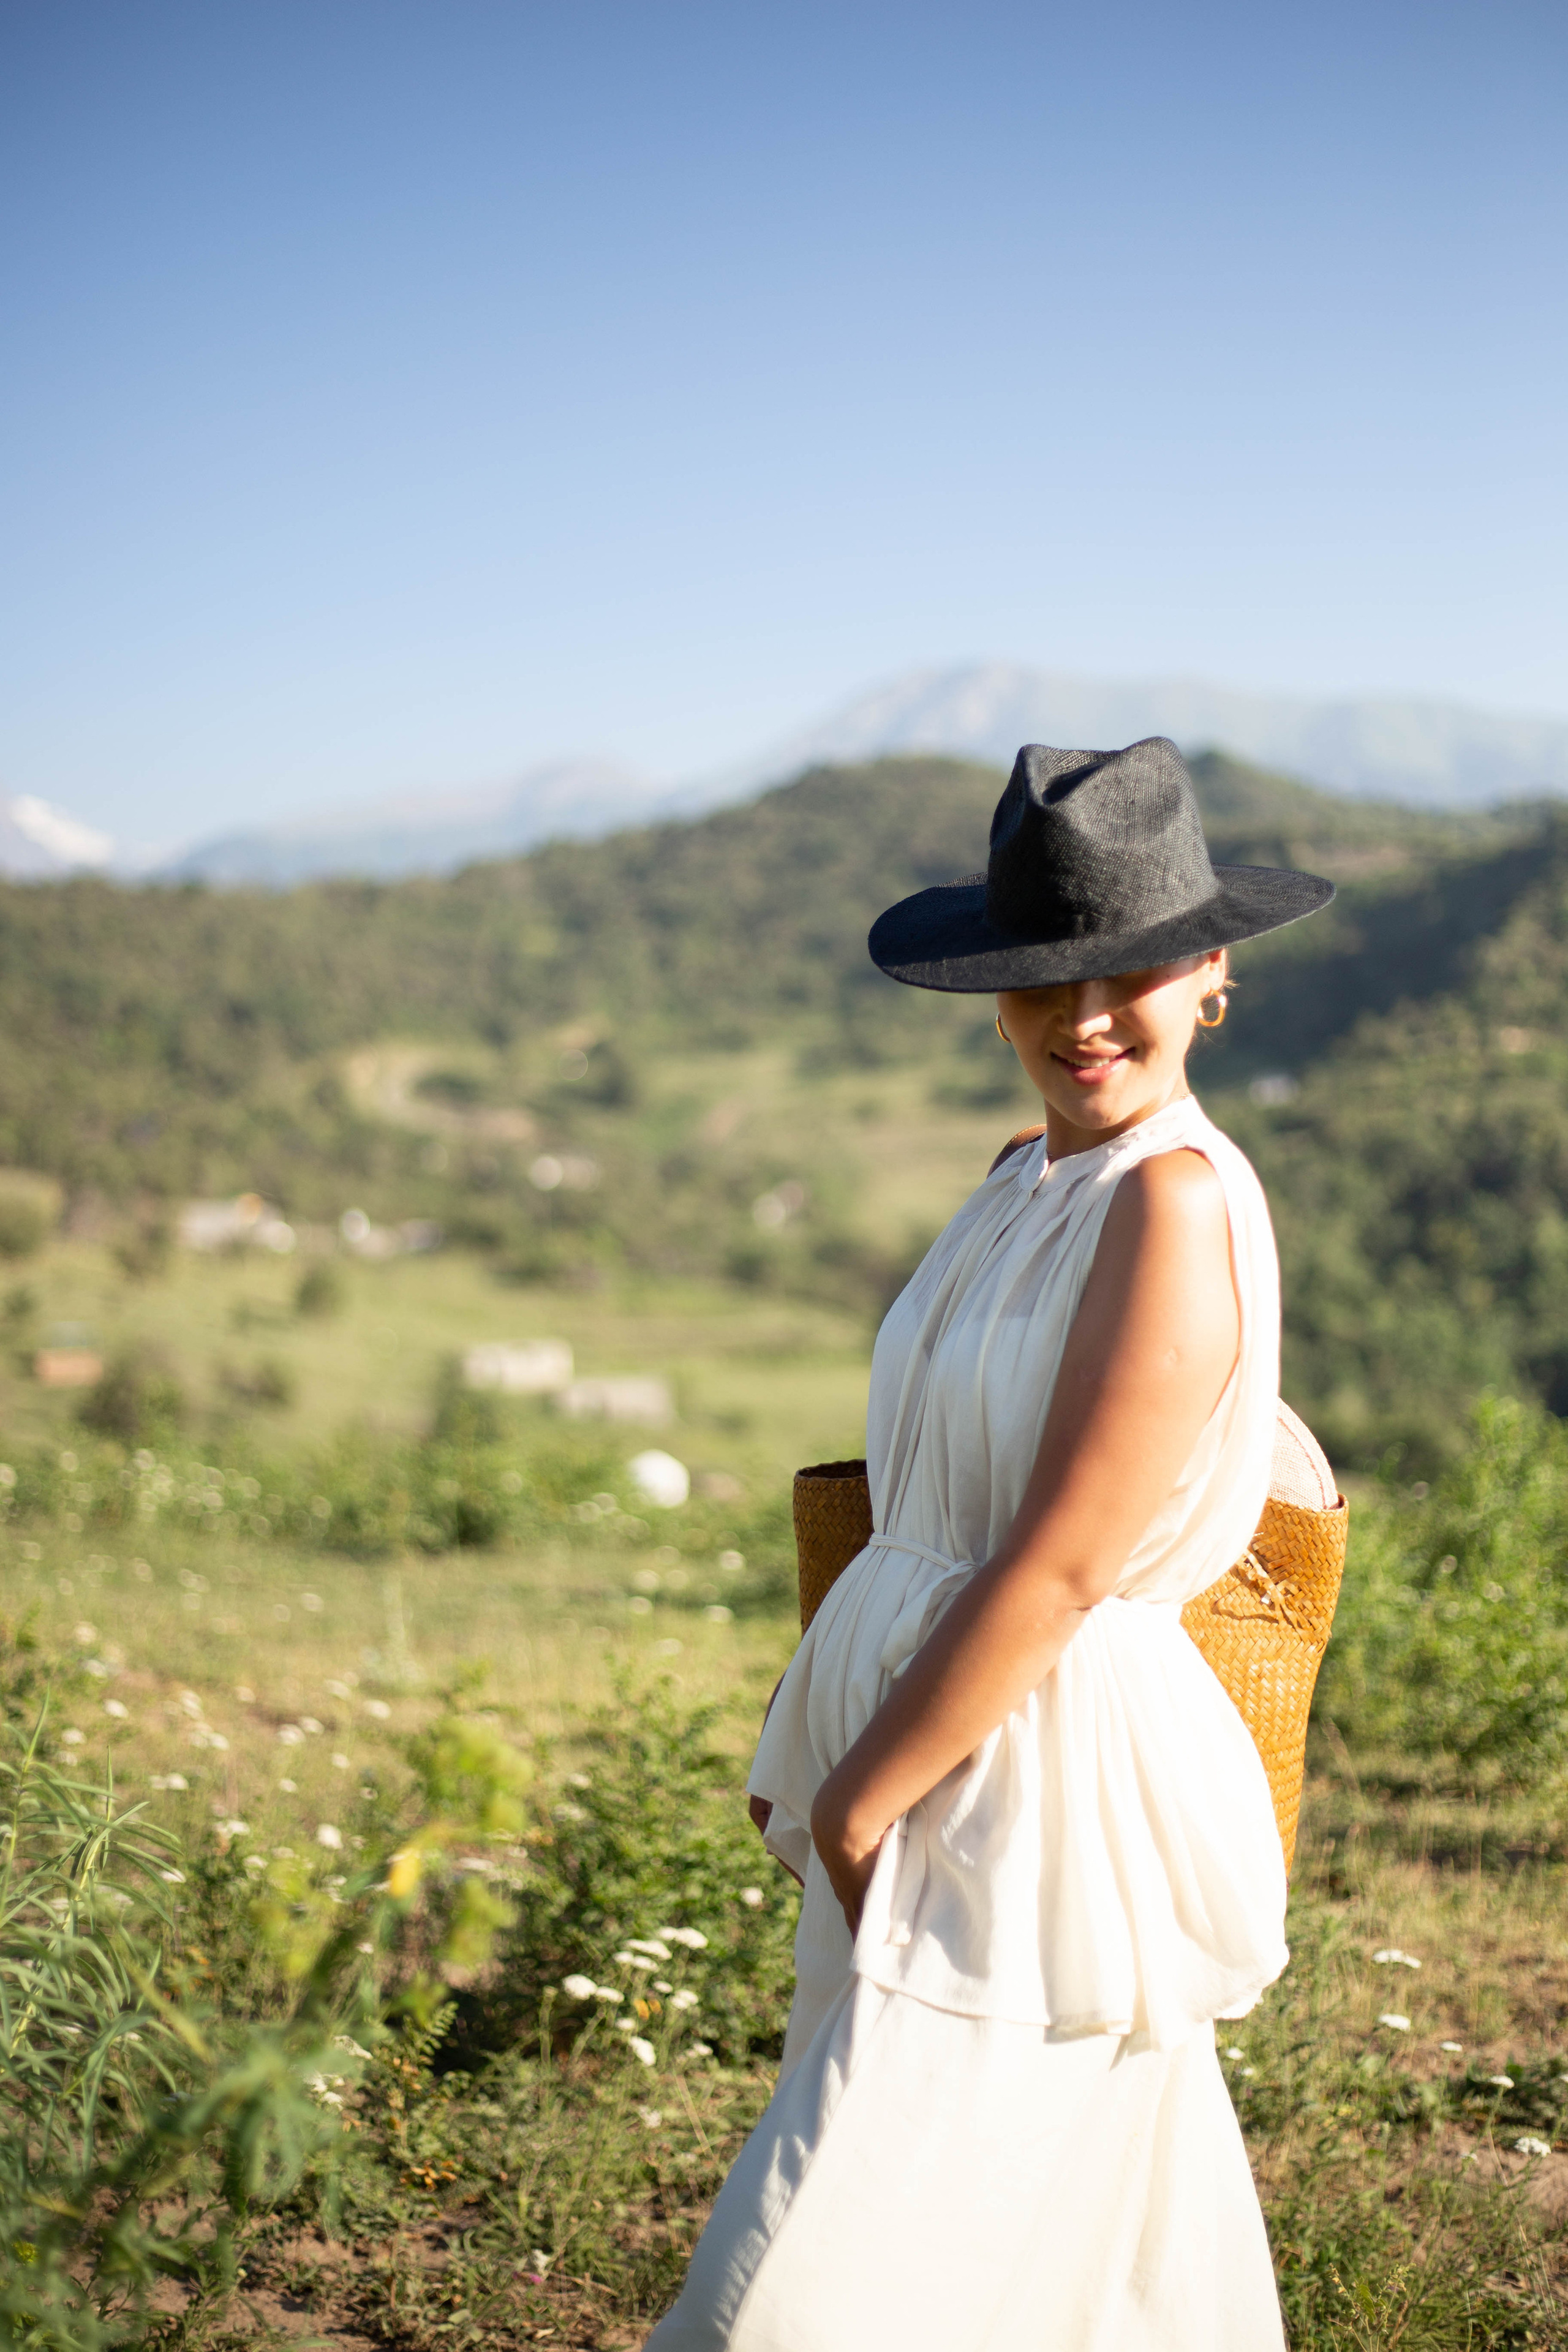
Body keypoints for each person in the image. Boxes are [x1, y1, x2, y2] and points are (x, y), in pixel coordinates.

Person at [646, 739, 1334, 2352]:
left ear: (1213, 967)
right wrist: (816, 1729)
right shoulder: (1026, 1176)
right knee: (1060, 2252)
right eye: (1044, 978)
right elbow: (924, 1502)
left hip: (1031, 1792)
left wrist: (870, 1783)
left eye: (1132, 969)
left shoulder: (1173, 1203)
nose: (1084, 1016)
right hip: (927, 1742)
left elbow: (1064, 1563)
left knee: (808, 2283)